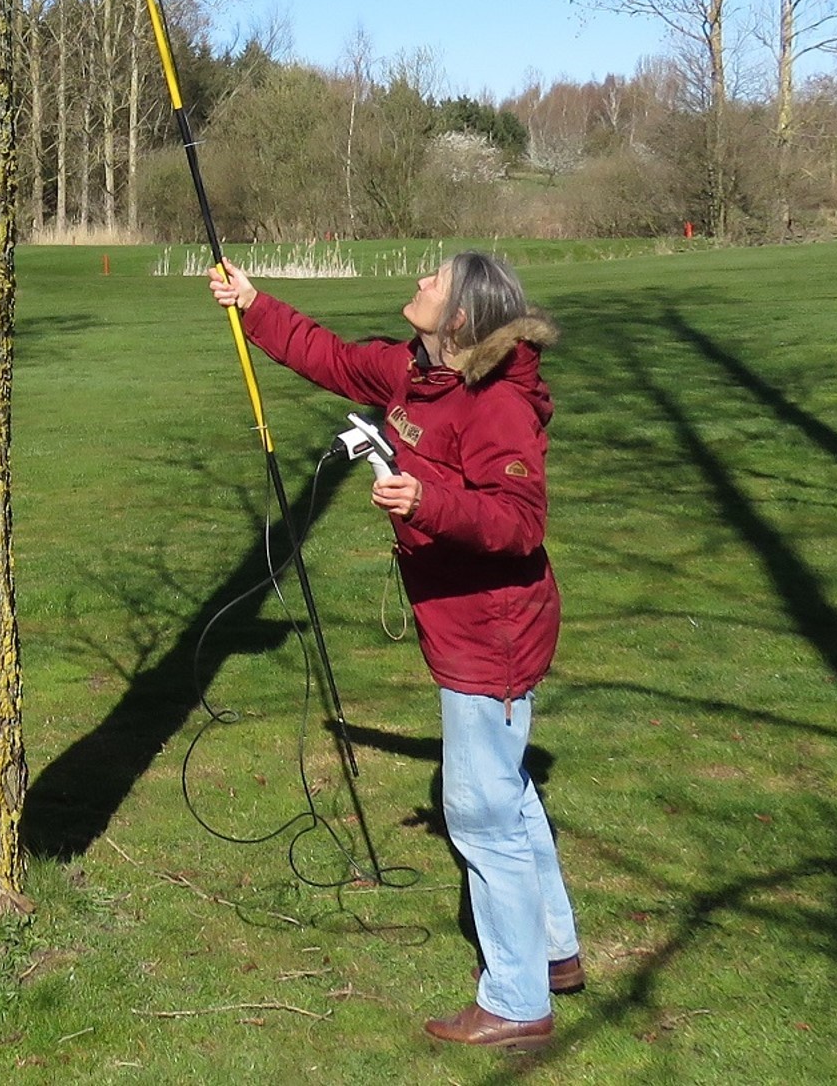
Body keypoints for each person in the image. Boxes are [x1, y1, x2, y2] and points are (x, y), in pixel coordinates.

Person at [209, 250, 581, 1049]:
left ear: (461, 318)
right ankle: (554, 954)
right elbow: (332, 357)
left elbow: (519, 525)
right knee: (505, 795)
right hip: (456, 620)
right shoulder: (416, 372)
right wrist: (252, 304)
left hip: (496, 628)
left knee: (479, 814)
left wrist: (426, 499)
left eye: (432, 282)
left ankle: (516, 1002)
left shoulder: (496, 406)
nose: (416, 284)